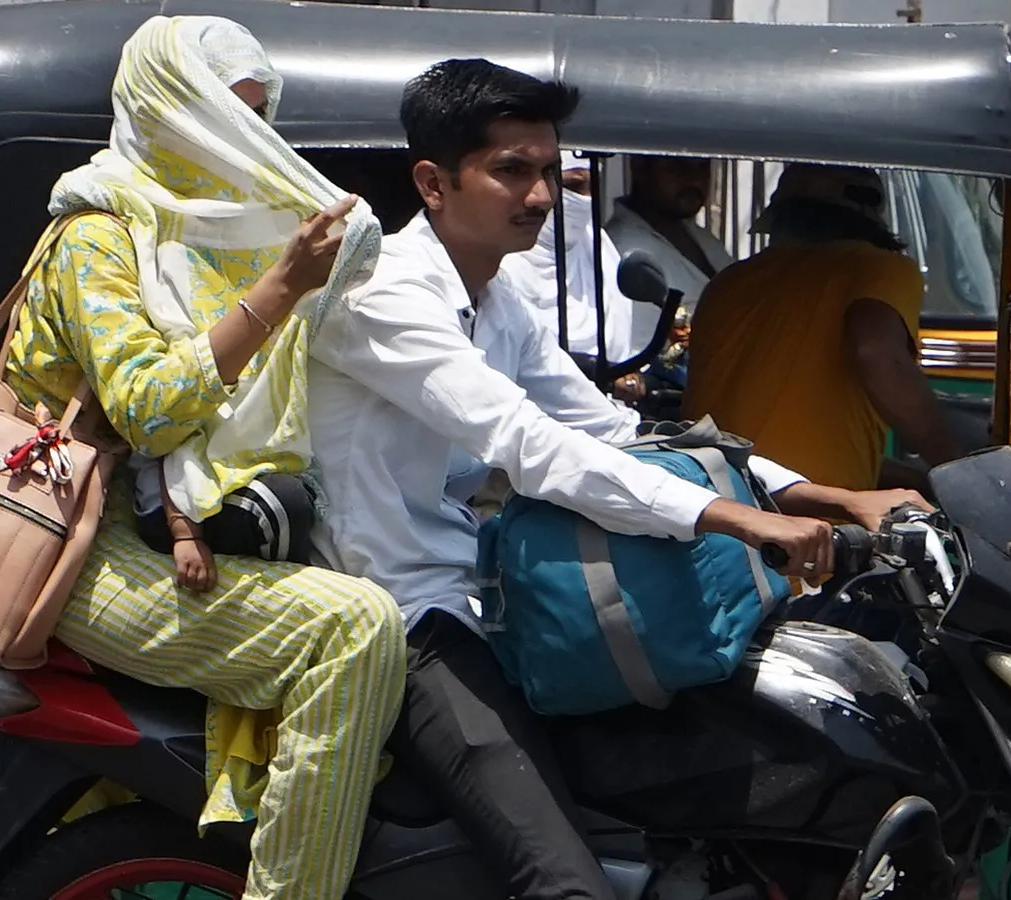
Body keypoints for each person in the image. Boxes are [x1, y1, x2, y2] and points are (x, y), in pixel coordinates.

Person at [307, 58, 926, 900]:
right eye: (510, 171)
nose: (537, 196)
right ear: (434, 182)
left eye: (547, 171)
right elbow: (531, 445)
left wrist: (825, 495)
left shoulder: (496, 298)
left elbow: (611, 429)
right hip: (407, 617)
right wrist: (732, 519)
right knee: (567, 887)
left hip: (493, 599)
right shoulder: (384, 297)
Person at [0, 17, 405, 900]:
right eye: (223, 116)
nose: (241, 142)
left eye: (259, 120)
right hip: (79, 548)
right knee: (356, 628)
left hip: (185, 524)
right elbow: (148, 409)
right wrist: (280, 287)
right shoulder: (100, 236)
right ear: (167, 114)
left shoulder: (219, 235)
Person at [684, 163, 963, 492]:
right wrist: (961, 469)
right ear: (871, 217)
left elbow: (776, 446)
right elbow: (876, 353)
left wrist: (913, 479)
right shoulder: (880, 268)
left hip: (713, 505)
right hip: (813, 528)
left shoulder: (727, 283)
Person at [499, 151, 644, 403]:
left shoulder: (598, 246)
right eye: (572, 186)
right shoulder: (501, 263)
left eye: (592, 187)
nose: (585, 199)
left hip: (611, 417)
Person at [605, 154, 736, 348]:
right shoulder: (622, 249)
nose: (695, 179)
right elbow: (638, 350)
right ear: (640, 165)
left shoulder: (702, 238)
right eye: (678, 166)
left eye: (703, 167)